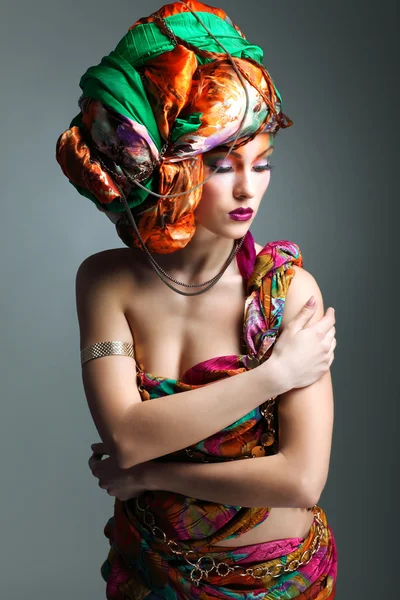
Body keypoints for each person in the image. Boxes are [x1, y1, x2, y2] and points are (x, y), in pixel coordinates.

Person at [56, 1, 338, 598]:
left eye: (261, 165)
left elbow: (301, 479)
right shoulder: (107, 281)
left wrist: (152, 474)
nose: (247, 188)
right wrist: (276, 374)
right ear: (168, 169)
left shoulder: (288, 294)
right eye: (220, 165)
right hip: (148, 570)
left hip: (276, 582)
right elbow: (127, 436)